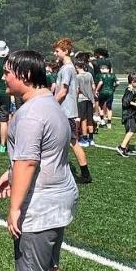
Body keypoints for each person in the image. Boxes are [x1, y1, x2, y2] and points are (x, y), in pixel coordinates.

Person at [0, 50, 77, 271]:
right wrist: (10, 173)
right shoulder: (50, 104)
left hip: (40, 204)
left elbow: (28, 162)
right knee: (51, 268)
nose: (4, 77)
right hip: (60, 197)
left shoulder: (29, 114)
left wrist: (15, 208)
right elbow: (40, 155)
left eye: (8, 72)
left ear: (25, 75)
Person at [51, 40, 91, 184]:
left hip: (66, 112)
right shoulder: (66, 68)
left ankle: (85, 174)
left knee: (73, 142)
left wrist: (51, 103)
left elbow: (63, 91)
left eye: (57, 51)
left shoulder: (67, 68)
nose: (55, 53)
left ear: (66, 51)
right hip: (64, 111)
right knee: (61, 141)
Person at [74, 53, 97, 147]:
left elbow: (77, 90)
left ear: (76, 67)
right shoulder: (89, 75)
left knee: (83, 119)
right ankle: (91, 139)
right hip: (90, 100)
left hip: (81, 99)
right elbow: (93, 86)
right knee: (90, 120)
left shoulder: (77, 77)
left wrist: (74, 99)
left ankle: (84, 139)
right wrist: (93, 96)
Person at [117, 74, 136, 155]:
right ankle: (122, 147)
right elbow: (125, 101)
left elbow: (135, 98)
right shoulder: (129, 90)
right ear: (132, 82)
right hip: (128, 114)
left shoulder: (133, 90)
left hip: (132, 113)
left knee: (129, 131)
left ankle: (126, 149)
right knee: (131, 130)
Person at [97, 62, 117, 129]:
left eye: (103, 68)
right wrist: (113, 88)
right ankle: (109, 123)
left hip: (102, 92)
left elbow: (100, 83)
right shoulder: (113, 75)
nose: (101, 70)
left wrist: (97, 90)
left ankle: (102, 120)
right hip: (110, 92)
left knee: (100, 106)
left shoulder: (101, 75)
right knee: (109, 108)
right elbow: (118, 83)